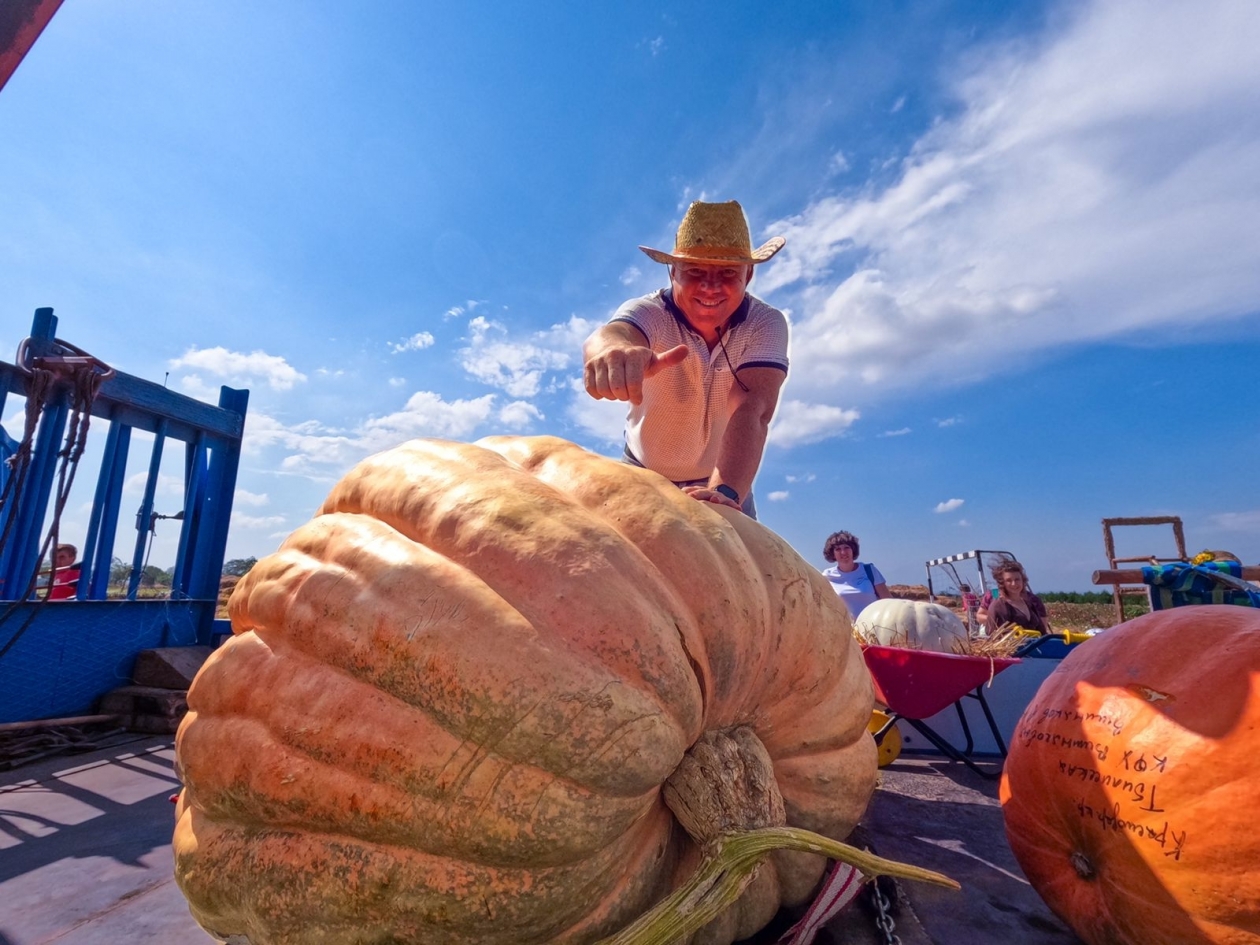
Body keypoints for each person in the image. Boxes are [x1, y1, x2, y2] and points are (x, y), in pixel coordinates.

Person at [583, 200, 789, 519]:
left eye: (727, 273)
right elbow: (613, 334)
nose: (710, 286)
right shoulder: (650, 312)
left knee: (742, 568)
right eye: (695, 271)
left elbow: (753, 407)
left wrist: (724, 493)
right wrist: (613, 353)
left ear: (748, 275)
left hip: (723, 482)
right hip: (643, 477)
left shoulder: (765, 323)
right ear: (672, 271)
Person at [821, 531, 891, 619]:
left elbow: (888, 601)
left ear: (853, 550)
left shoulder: (869, 570)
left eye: (847, 547)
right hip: (844, 630)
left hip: (872, 628)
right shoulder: (827, 576)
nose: (843, 552)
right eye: (838, 549)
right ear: (833, 554)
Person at [978, 558, 1050, 634]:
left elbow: (1042, 629)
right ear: (1003, 583)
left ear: (1023, 580)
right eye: (1009, 580)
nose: (1014, 584)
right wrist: (991, 618)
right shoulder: (998, 604)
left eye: (1017, 579)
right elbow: (994, 635)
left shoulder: (1031, 602)